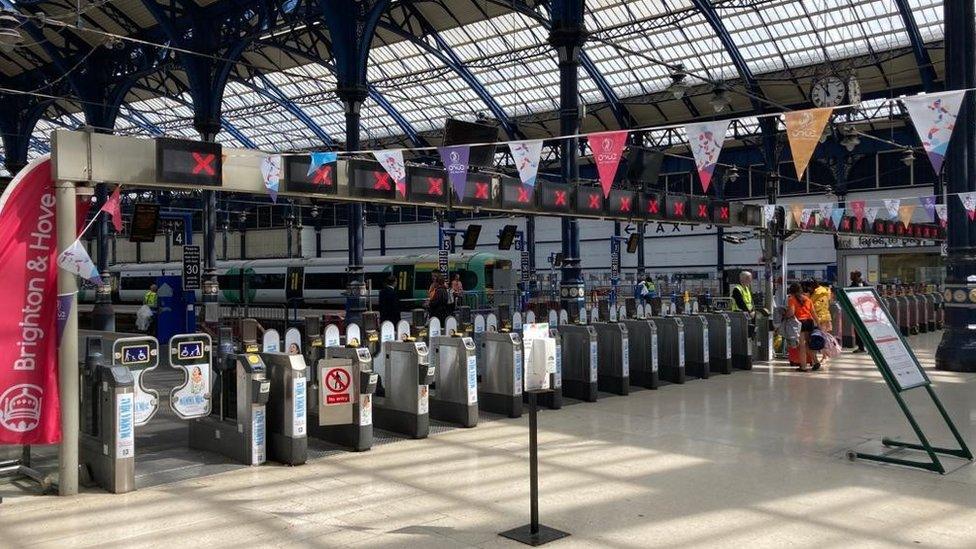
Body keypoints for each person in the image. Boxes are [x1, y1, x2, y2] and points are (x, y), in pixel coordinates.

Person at [786, 282, 818, 371]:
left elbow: (791, 312)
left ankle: (803, 366)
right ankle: (816, 361)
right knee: (808, 344)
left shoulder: (791, 299)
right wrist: (818, 324)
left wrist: (785, 315)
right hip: (809, 322)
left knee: (802, 346)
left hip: (800, 323)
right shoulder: (807, 299)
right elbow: (813, 313)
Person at [850, 270, 867, 353]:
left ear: (856, 276)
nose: (850, 277)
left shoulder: (863, 284)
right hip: (860, 310)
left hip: (863, 310)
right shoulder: (855, 284)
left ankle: (865, 347)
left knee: (863, 329)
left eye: (851, 275)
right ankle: (861, 347)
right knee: (859, 329)